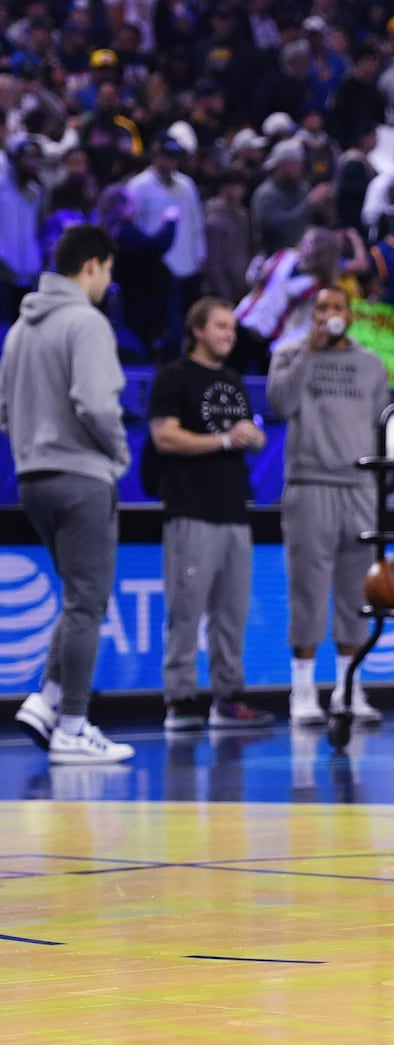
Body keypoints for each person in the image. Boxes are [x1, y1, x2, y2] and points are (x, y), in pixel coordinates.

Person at [0, 225, 134, 765]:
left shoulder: (17, 331)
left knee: (79, 595)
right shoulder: (86, 322)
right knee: (87, 602)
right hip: (81, 477)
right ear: (94, 265)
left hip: (32, 478)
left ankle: (47, 699)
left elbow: (5, 413)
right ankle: (73, 726)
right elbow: (97, 405)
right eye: (108, 272)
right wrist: (118, 454)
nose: (108, 283)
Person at [267, 286, 392, 726]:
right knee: (307, 592)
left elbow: (382, 428)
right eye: (322, 308)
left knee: (356, 594)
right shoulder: (288, 354)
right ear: (312, 314)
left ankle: (348, 688)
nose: (329, 314)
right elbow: (279, 404)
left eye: (337, 308)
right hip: (309, 485)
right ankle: (302, 693)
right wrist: (309, 352)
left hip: (360, 487)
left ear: (350, 316)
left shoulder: (371, 365)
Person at [148, 297, 275, 730]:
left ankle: (228, 699)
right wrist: (223, 440)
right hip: (191, 509)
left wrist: (251, 438)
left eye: (233, 329)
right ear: (197, 329)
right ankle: (180, 700)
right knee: (185, 612)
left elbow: (247, 434)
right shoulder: (174, 377)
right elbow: (165, 438)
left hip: (234, 512)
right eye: (221, 326)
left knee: (231, 615)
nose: (229, 334)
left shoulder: (233, 380)